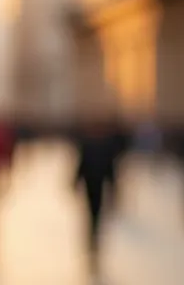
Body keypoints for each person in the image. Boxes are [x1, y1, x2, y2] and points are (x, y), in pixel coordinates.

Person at [73, 117, 121, 275]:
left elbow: (110, 169)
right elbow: (81, 165)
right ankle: (92, 237)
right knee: (92, 212)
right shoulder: (93, 146)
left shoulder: (102, 147)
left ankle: (93, 237)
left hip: (97, 184)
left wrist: (114, 187)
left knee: (95, 213)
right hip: (91, 184)